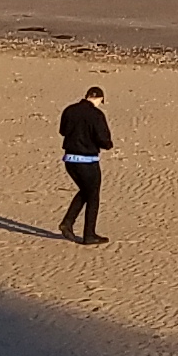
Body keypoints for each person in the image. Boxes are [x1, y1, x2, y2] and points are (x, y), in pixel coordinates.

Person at [54, 85, 113, 242]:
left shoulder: (69, 110)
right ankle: (89, 234)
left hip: (70, 160)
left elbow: (63, 131)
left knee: (86, 191)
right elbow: (103, 139)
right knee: (93, 195)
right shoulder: (96, 115)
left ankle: (68, 222)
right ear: (99, 98)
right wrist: (108, 144)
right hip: (87, 161)